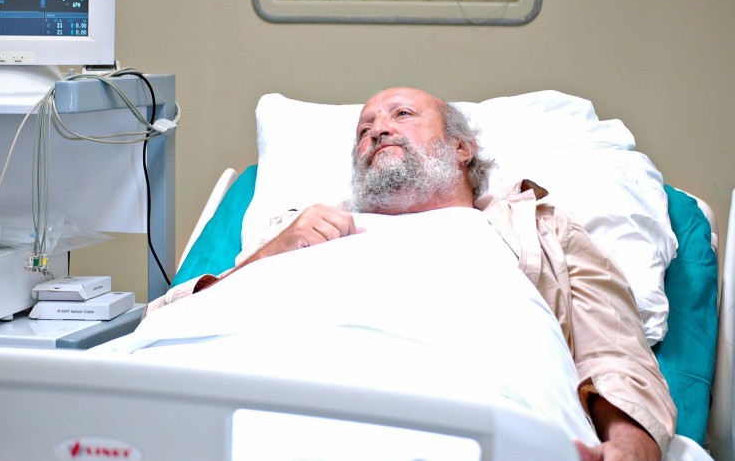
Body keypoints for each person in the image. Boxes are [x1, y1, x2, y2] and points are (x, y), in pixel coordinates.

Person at [149, 87, 675, 461]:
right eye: (364, 130)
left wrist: (631, 444)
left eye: (402, 114)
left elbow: (612, 347)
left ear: (462, 148)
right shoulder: (295, 226)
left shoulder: (535, 226)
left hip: (462, 390)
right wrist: (271, 252)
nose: (377, 129)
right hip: (250, 377)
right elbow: (164, 318)